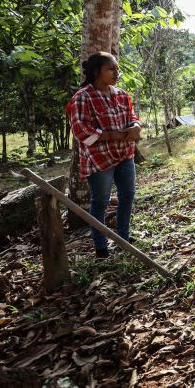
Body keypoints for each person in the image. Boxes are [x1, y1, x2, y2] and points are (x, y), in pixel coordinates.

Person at [67, 52, 142, 259]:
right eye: (111, 69)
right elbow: (81, 131)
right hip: (99, 159)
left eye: (117, 69)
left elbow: (132, 116)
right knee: (100, 200)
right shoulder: (82, 97)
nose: (116, 73)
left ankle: (123, 237)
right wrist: (113, 135)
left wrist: (135, 126)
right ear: (96, 71)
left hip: (124, 154)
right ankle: (101, 247)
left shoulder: (121, 94)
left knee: (127, 195)